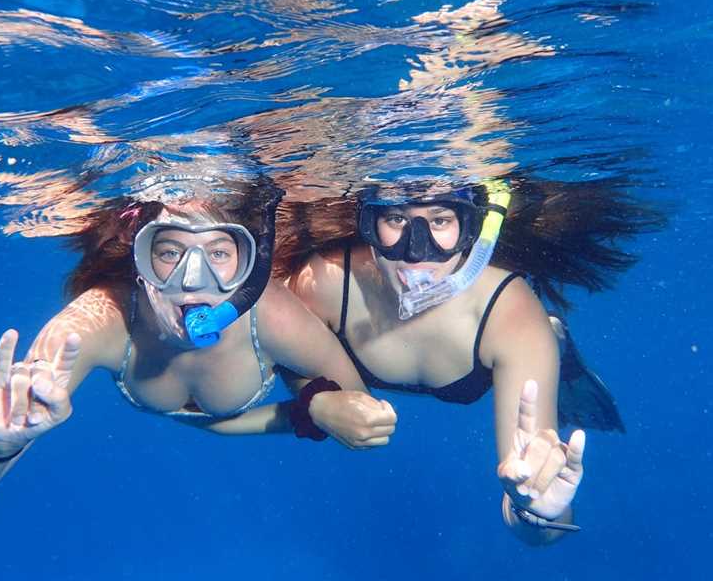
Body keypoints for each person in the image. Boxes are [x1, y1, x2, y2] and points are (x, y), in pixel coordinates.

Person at [0, 178, 397, 533]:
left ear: (248, 268)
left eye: (219, 254)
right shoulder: (97, 323)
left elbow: (360, 411)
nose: (193, 278)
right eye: (168, 253)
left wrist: (311, 406)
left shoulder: (269, 315)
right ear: (138, 262)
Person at [281, 175, 664, 545]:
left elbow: (540, 531)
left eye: (441, 220)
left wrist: (536, 511)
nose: (417, 251)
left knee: (544, 338)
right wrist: (318, 401)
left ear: (472, 228)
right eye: (396, 218)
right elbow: (282, 350)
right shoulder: (327, 281)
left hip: (506, 344)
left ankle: (557, 347)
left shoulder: (513, 321)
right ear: (368, 221)